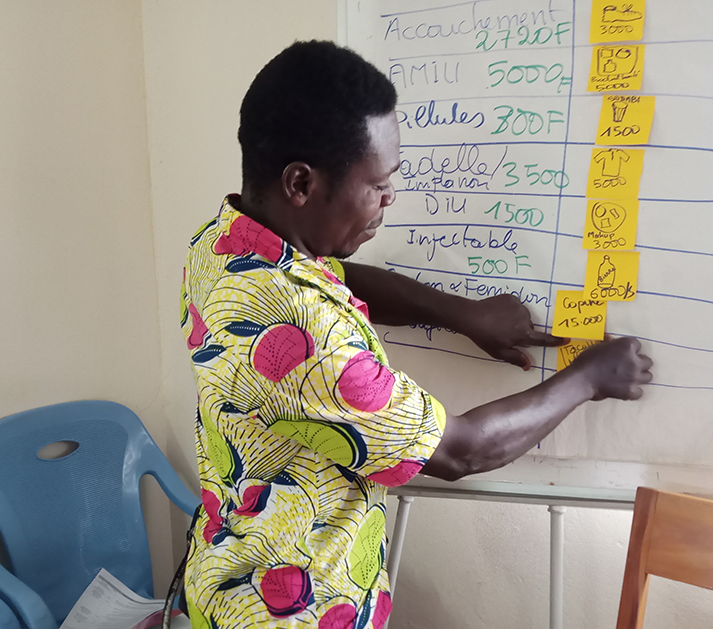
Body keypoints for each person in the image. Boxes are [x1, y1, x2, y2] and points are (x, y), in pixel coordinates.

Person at [179, 40, 652, 629]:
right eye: (376, 184)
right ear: (300, 184)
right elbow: (460, 450)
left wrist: (460, 313)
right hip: (292, 612)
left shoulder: (224, 244)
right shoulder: (309, 336)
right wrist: (587, 377)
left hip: (225, 573)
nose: (390, 199)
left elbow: (336, 275)